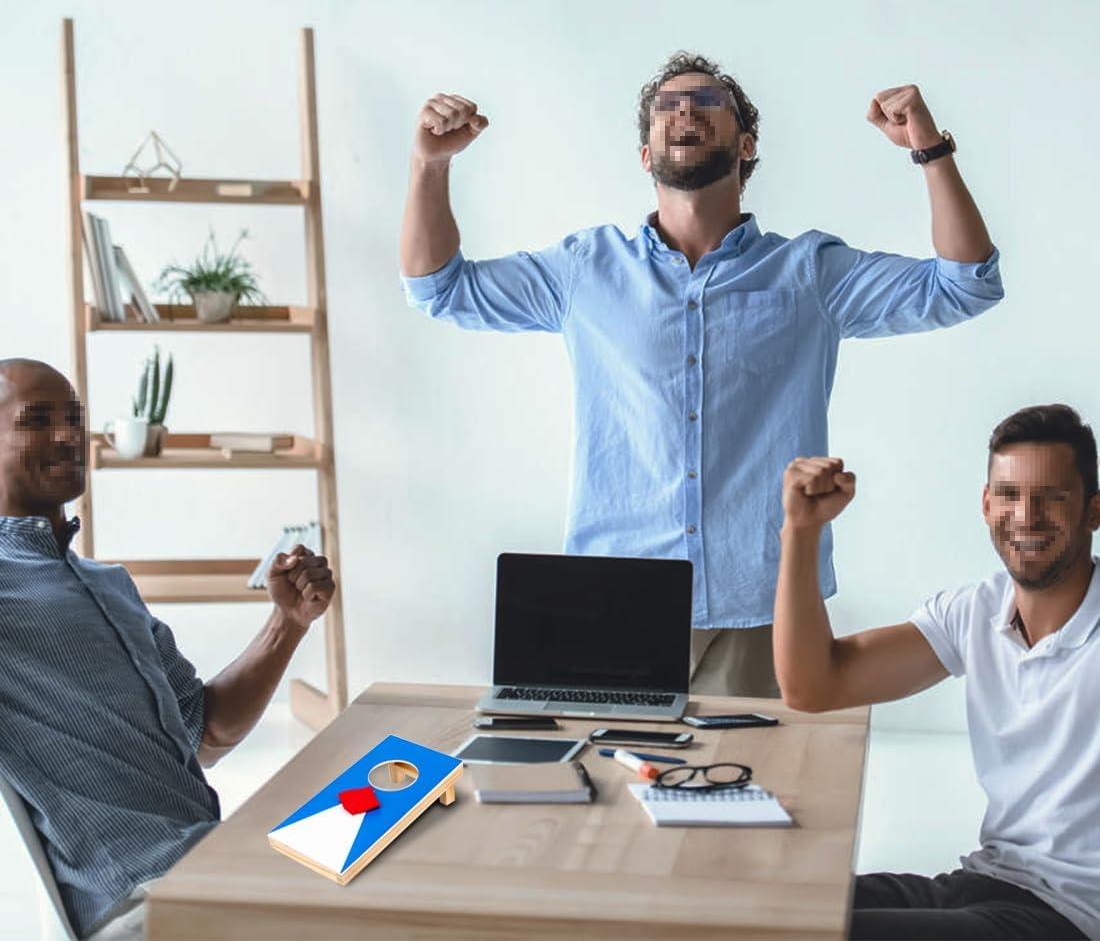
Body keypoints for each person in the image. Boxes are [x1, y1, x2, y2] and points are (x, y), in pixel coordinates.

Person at [400, 51, 1003, 698]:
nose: (684, 111)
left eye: (707, 103)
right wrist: (429, 165)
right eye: (667, 106)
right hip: (611, 600)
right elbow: (438, 287)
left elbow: (967, 284)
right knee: (596, 792)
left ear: (746, 145)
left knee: (756, 793)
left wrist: (930, 150)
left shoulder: (810, 274)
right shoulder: (585, 270)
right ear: (644, 154)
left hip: (763, 606)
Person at [0, 358, 336, 940]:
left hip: (213, 867)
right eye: (37, 420)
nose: (66, 434)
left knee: (406, 824)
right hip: (140, 904)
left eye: (75, 418)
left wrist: (288, 623)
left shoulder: (111, 586)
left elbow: (206, 733)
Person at [774, 404, 1099, 940]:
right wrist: (801, 531)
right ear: (986, 503)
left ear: (1093, 511)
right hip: (984, 882)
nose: (1027, 515)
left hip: (1068, 917)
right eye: (1011, 496)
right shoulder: (975, 612)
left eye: (1053, 497)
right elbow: (813, 686)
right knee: (765, 907)